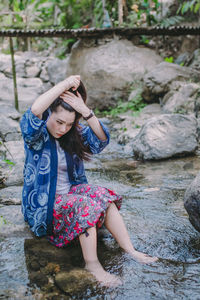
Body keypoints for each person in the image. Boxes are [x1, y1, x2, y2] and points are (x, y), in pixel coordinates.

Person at [20, 75, 157, 287]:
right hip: (44, 205)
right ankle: (92, 265)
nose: (63, 128)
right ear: (49, 115)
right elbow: (34, 111)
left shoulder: (74, 134)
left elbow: (101, 140)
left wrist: (85, 111)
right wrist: (65, 85)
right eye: (59, 122)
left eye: (69, 124)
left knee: (104, 196)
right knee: (86, 206)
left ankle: (130, 250)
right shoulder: (37, 136)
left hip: (72, 192)